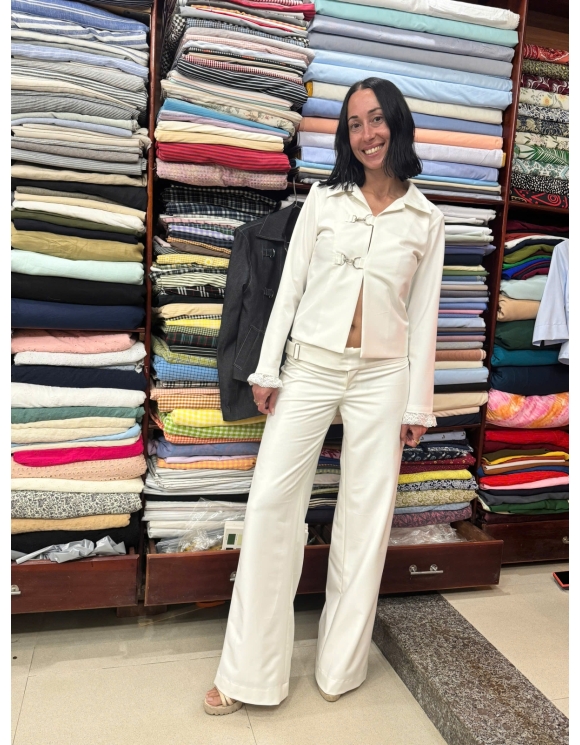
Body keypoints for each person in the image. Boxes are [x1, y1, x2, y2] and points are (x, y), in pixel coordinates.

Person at [204, 77, 445, 715]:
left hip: (383, 377)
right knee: (271, 505)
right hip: (310, 365)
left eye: (376, 119)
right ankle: (247, 674)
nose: (366, 134)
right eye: (354, 124)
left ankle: (340, 667)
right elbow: (289, 289)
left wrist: (418, 405)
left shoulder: (427, 219)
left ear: (397, 123)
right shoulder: (323, 199)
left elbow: (424, 317)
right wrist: (268, 369)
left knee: (367, 518)